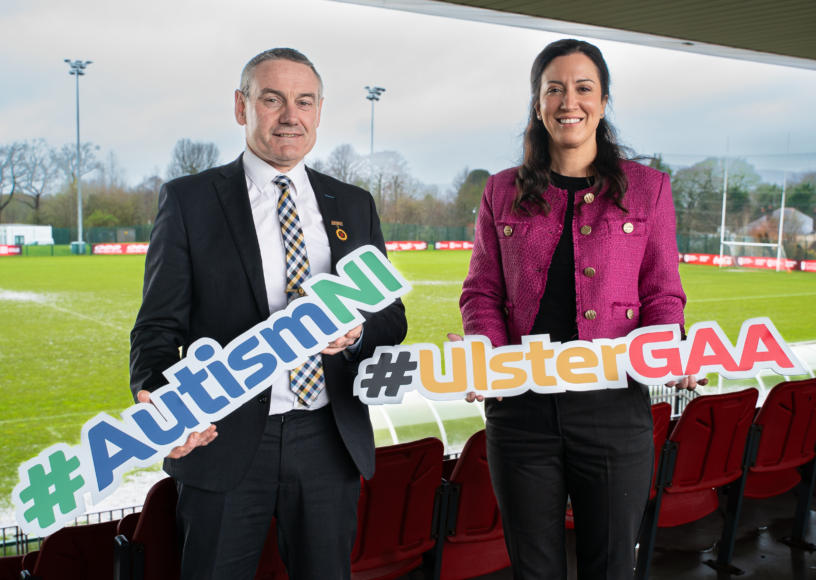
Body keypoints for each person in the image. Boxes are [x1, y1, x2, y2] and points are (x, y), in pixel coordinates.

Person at [129, 48, 407, 580]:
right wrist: (162, 401)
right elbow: (157, 327)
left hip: (328, 439)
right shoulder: (190, 201)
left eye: (304, 101)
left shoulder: (353, 204)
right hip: (224, 440)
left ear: (319, 111)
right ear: (242, 106)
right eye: (272, 100)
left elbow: (391, 317)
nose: (290, 116)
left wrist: (357, 333)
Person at [455, 39, 705, 579]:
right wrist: (484, 356)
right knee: (533, 568)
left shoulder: (649, 188)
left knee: (611, 566)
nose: (569, 101)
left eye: (583, 88)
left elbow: (663, 292)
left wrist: (667, 349)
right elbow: (481, 292)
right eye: (555, 89)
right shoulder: (501, 191)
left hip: (613, 409)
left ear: (604, 101)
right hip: (520, 410)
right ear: (538, 103)